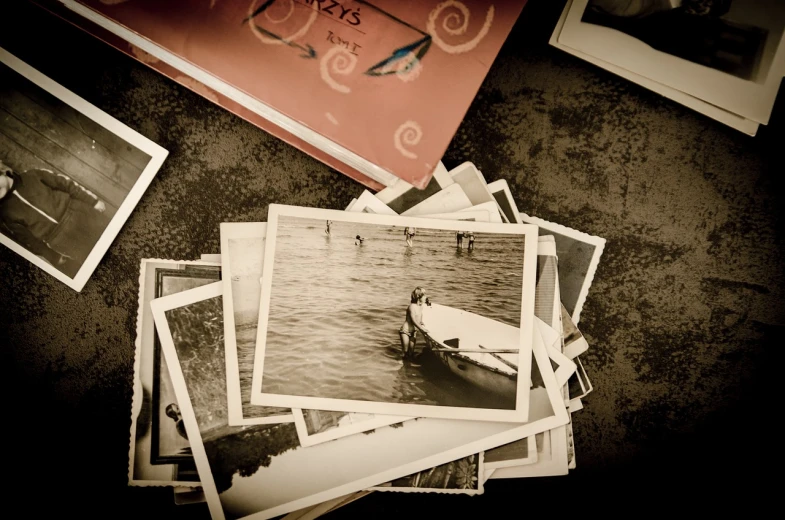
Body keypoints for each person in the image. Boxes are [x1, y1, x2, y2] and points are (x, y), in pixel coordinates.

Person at [0, 160, 109, 277]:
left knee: (109, 236)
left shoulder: (32, 175)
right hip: (59, 239)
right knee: (95, 261)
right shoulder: (6, 214)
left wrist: (93, 201)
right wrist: (52, 256)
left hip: (79, 213)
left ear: (2, 171)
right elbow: (28, 239)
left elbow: (66, 184)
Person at [399, 286, 429, 360]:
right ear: (419, 297)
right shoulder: (412, 307)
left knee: (411, 353)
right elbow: (413, 320)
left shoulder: (420, 306)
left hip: (413, 332)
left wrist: (421, 322)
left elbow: (419, 315)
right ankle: (402, 365)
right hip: (405, 331)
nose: (426, 297)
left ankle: (408, 367)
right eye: (424, 295)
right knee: (405, 352)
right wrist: (422, 329)